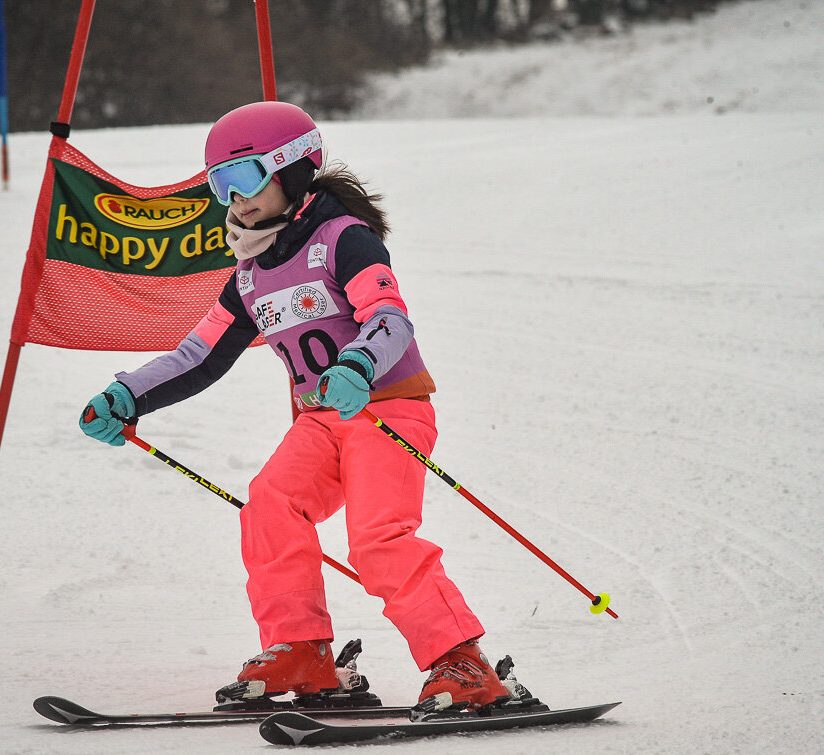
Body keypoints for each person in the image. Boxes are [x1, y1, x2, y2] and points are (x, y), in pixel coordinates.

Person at [80, 100, 517, 713]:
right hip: (321, 420)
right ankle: (301, 651)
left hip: (386, 409)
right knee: (270, 506)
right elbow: (198, 356)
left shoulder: (344, 239)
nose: (235, 199)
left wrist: (358, 363)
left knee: (377, 539)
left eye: (245, 178)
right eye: (220, 185)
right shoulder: (250, 274)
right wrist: (129, 394)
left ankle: (460, 661)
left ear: (292, 170)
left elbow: (389, 319)